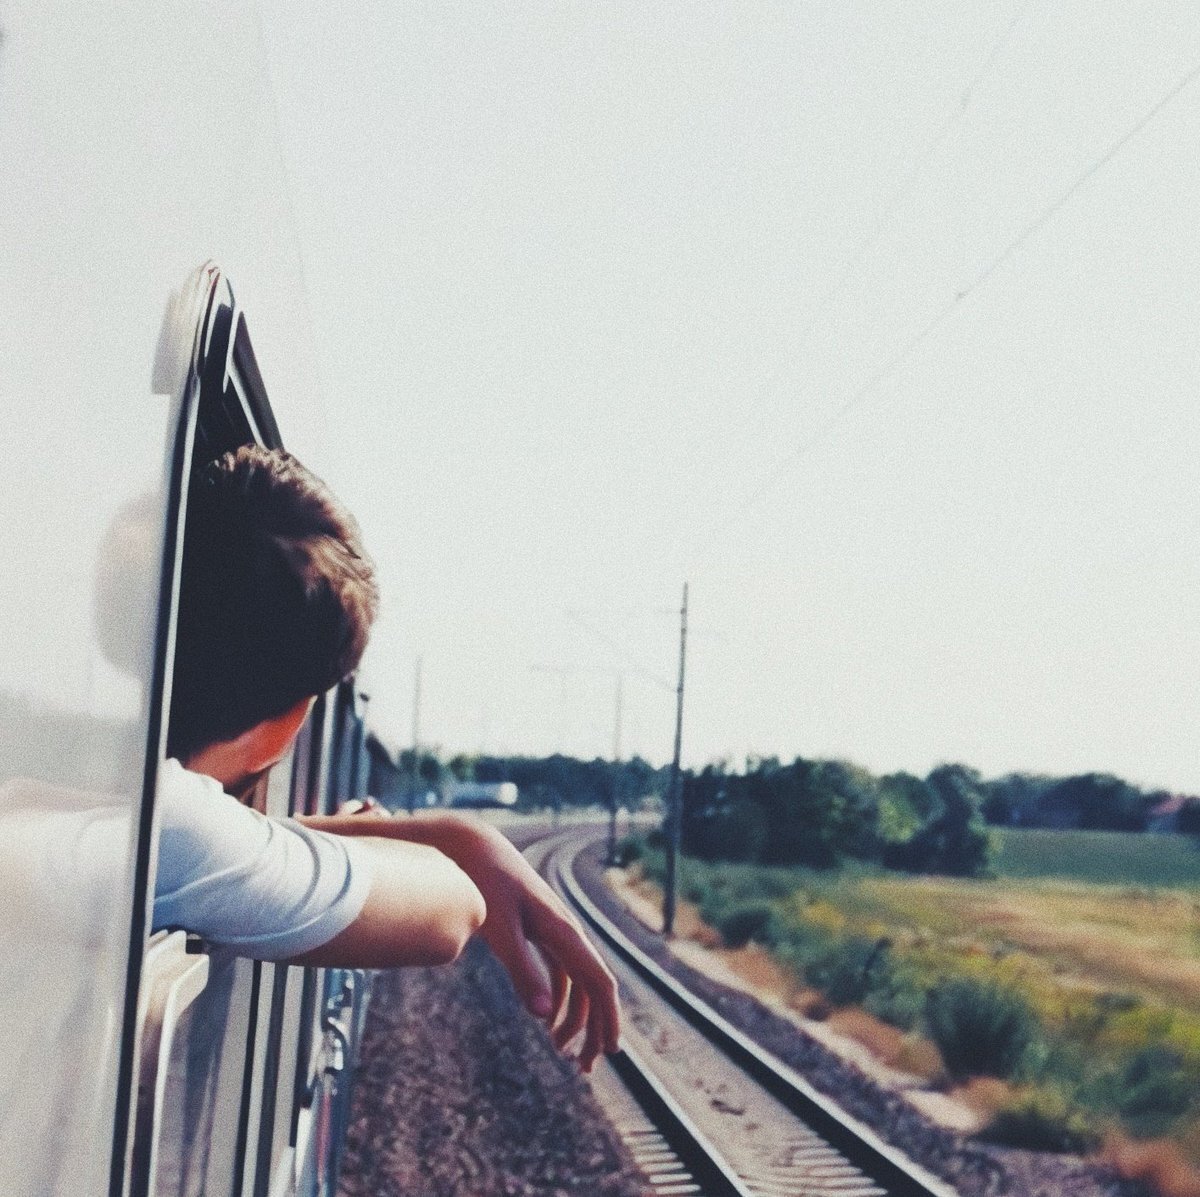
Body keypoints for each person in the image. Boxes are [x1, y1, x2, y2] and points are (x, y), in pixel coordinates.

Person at [157, 445, 619, 1070]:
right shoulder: (174, 834)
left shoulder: (107, 818)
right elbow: (452, 906)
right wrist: (454, 839)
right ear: (288, 725)